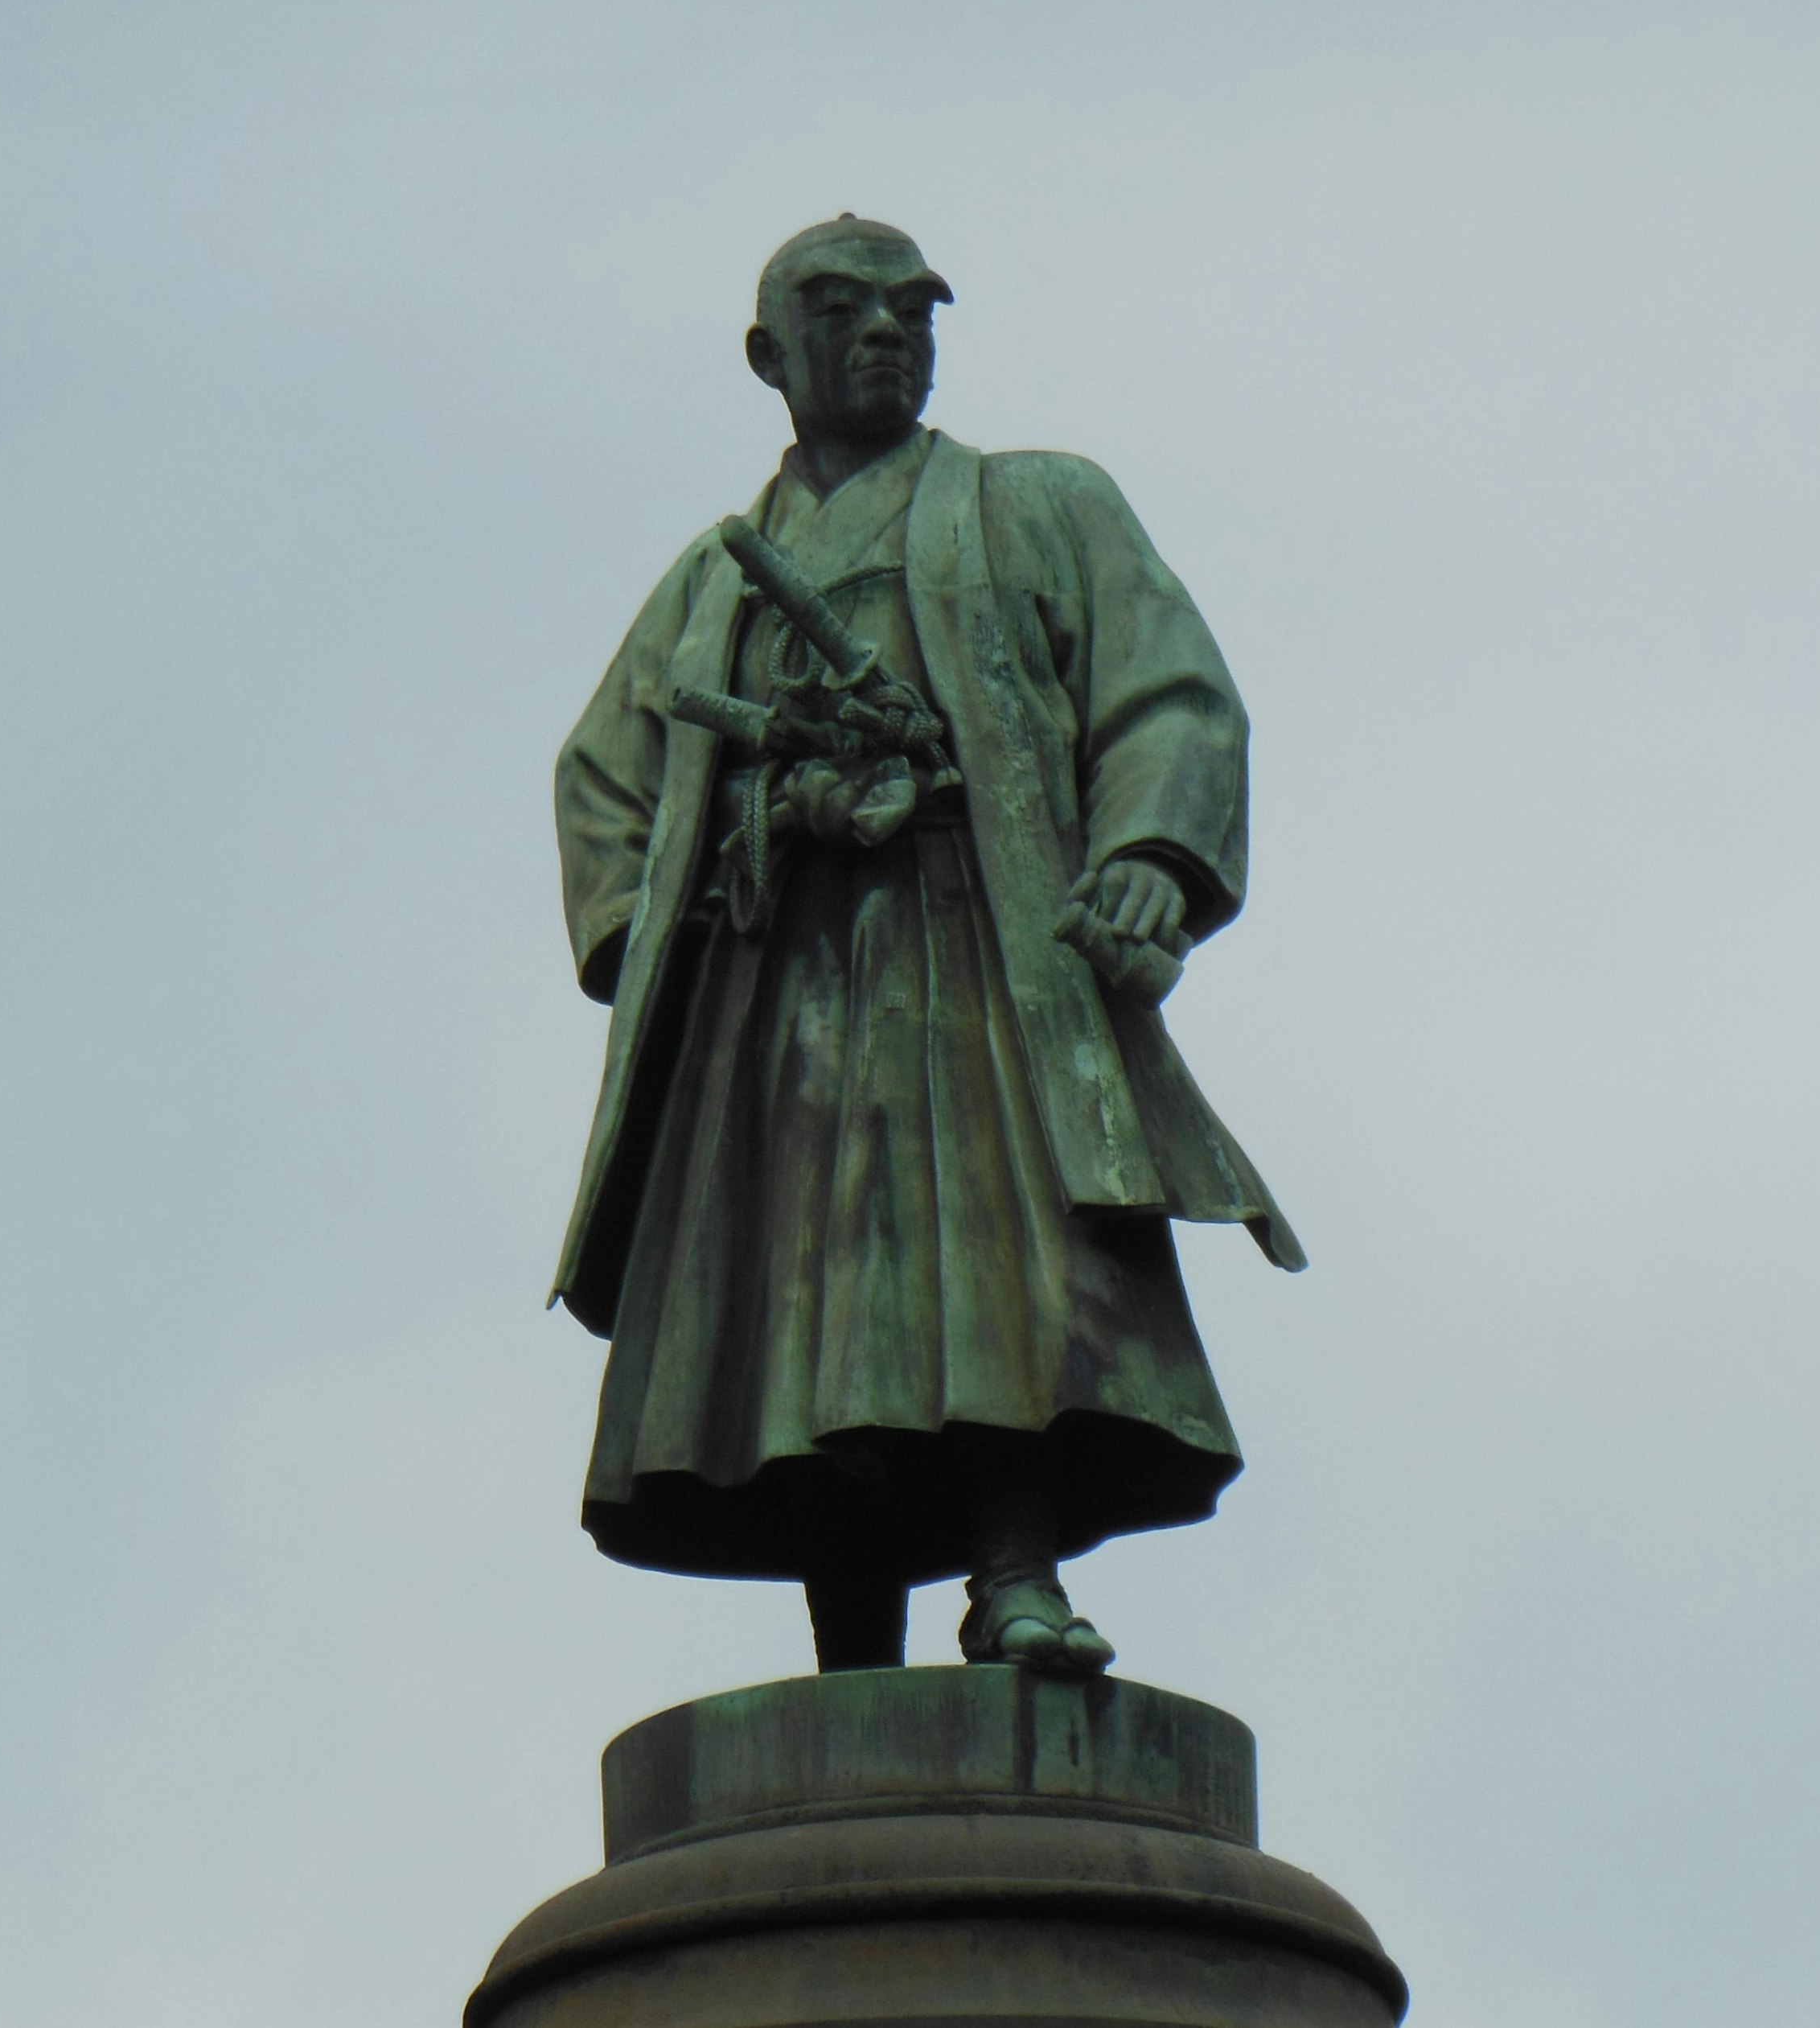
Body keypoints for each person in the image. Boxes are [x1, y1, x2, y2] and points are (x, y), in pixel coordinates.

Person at [552, 215, 1302, 1676]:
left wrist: (1148, 854)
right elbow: (604, 776)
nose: (889, 333)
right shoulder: (715, 586)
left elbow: (1169, 694)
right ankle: (853, 1652)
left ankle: (1015, 1578)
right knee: (805, 1306)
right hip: (774, 986)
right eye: (844, 310)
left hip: (977, 949)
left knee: (1000, 1270)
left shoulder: (1036, 505)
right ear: (772, 355)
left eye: (913, 310)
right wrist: (660, 931)